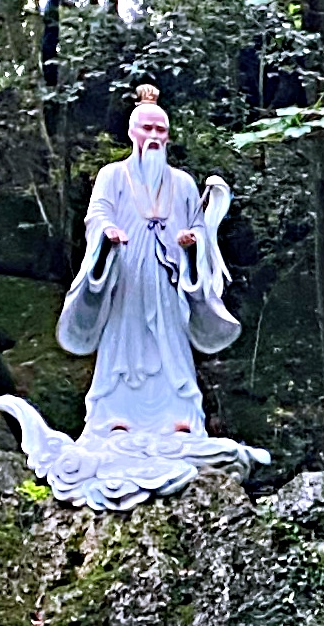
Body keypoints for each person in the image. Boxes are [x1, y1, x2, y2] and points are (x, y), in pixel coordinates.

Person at [57, 84, 241, 442]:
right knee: (122, 346)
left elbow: (199, 228)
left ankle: (181, 416)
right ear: (132, 132)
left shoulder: (184, 183)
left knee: (172, 348)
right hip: (126, 277)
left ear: (169, 136)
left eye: (160, 130)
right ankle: (113, 417)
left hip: (169, 278)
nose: (154, 136)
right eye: (147, 128)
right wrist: (107, 233)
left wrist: (193, 243)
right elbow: (96, 214)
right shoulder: (113, 175)